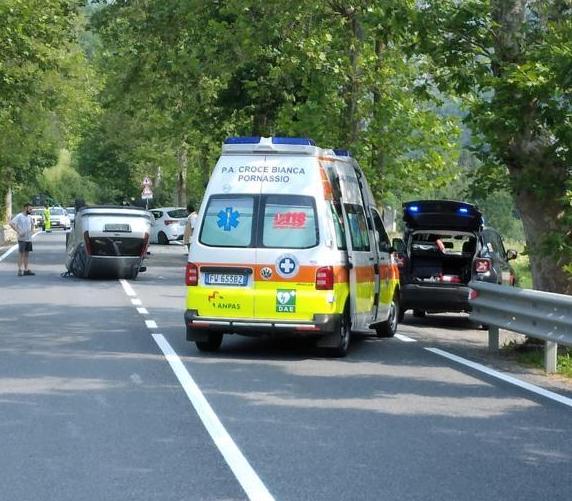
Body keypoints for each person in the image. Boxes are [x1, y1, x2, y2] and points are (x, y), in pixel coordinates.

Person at [9, 202, 36, 276]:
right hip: (22, 239)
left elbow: (32, 224)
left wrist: (32, 231)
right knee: (21, 254)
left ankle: (26, 270)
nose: (31, 211)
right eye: (30, 209)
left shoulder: (29, 217)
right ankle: (19, 270)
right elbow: (11, 223)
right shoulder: (19, 216)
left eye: (31, 209)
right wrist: (19, 231)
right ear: (25, 208)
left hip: (28, 239)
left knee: (27, 255)